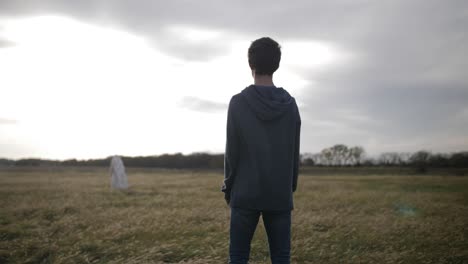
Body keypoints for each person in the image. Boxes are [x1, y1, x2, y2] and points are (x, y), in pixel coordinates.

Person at [222, 37, 301, 264]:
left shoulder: (238, 103)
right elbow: (293, 151)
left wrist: (229, 188)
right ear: (277, 64)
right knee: (281, 258)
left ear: (251, 65)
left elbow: (232, 152)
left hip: (244, 193)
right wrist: (289, 187)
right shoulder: (290, 104)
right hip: (279, 193)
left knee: (237, 257)